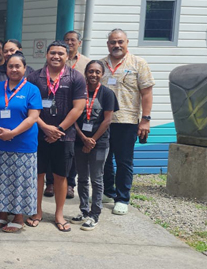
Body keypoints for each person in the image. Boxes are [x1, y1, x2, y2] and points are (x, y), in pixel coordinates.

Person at [26, 41, 86, 232]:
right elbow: (29, 107)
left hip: (65, 136)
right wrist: (44, 128)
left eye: (61, 53)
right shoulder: (34, 77)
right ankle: (37, 212)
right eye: (53, 53)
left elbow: (78, 108)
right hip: (38, 133)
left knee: (61, 176)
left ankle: (59, 214)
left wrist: (58, 129)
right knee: (38, 175)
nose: (56, 56)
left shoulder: (76, 77)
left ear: (67, 56)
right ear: (46, 55)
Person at [0, 53, 41, 233]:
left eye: (18, 66)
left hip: (23, 144)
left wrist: (13, 133)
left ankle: (18, 217)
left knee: (19, 181)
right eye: (11, 66)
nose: (14, 69)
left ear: (25, 69)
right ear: (6, 69)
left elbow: (33, 117)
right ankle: (2, 214)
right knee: (1, 179)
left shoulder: (32, 90)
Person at [100, 28, 154, 215]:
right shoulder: (100, 64)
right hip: (103, 121)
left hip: (127, 121)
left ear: (127, 43)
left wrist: (145, 120)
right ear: (108, 44)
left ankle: (122, 198)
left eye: (120, 42)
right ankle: (107, 192)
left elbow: (146, 93)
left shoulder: (138, 63)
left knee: (124, 162)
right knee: (103, 160)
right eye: (113, 42)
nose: (116, 45)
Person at [72, 60, 118, 230]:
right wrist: (84, 138)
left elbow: (107, 120)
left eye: (97, 72)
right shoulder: (79, 92)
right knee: (82, 178)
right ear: (86, 72)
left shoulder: (107, 94)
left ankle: (95, 214)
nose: (93, 75)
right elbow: (74, 117)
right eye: (91, 71)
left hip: (99, 143)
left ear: (102, 74)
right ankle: (84, 211)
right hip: (79, 141)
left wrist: (92, 141)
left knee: (96, 179)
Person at [62, 30, 91, 199]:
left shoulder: (87, 63)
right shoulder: (57, 60)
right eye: (66, 40)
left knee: (72, 148)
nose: (70, 42)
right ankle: (52, 182)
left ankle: (70, 183)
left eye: (73, 40)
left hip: (79, 110)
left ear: (79, 43)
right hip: (58, 110)